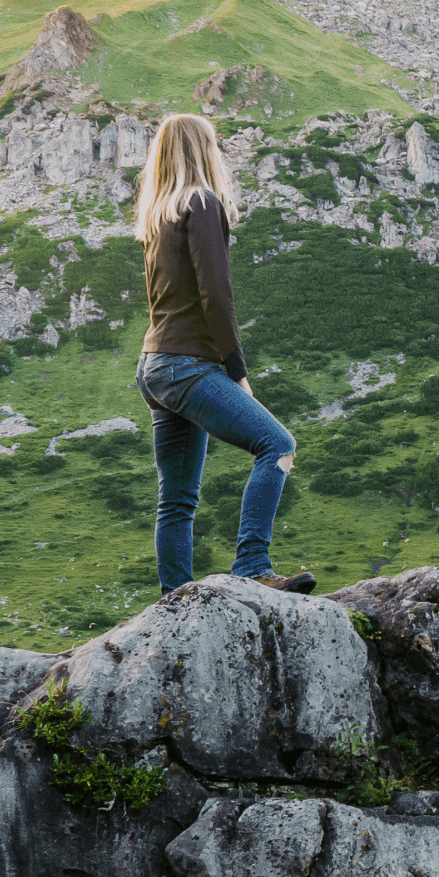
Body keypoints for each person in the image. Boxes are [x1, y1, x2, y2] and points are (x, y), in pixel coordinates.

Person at [132, 111, 312, 595]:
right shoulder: (202, 203)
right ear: (201, 150)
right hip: (189, 364)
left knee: (177, 500)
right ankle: (253, 564)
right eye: (214, 144)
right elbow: (216, 295)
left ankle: (176, 598)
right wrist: (237, 370)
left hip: (154, 367)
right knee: (278, 446)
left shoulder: (158, 213)